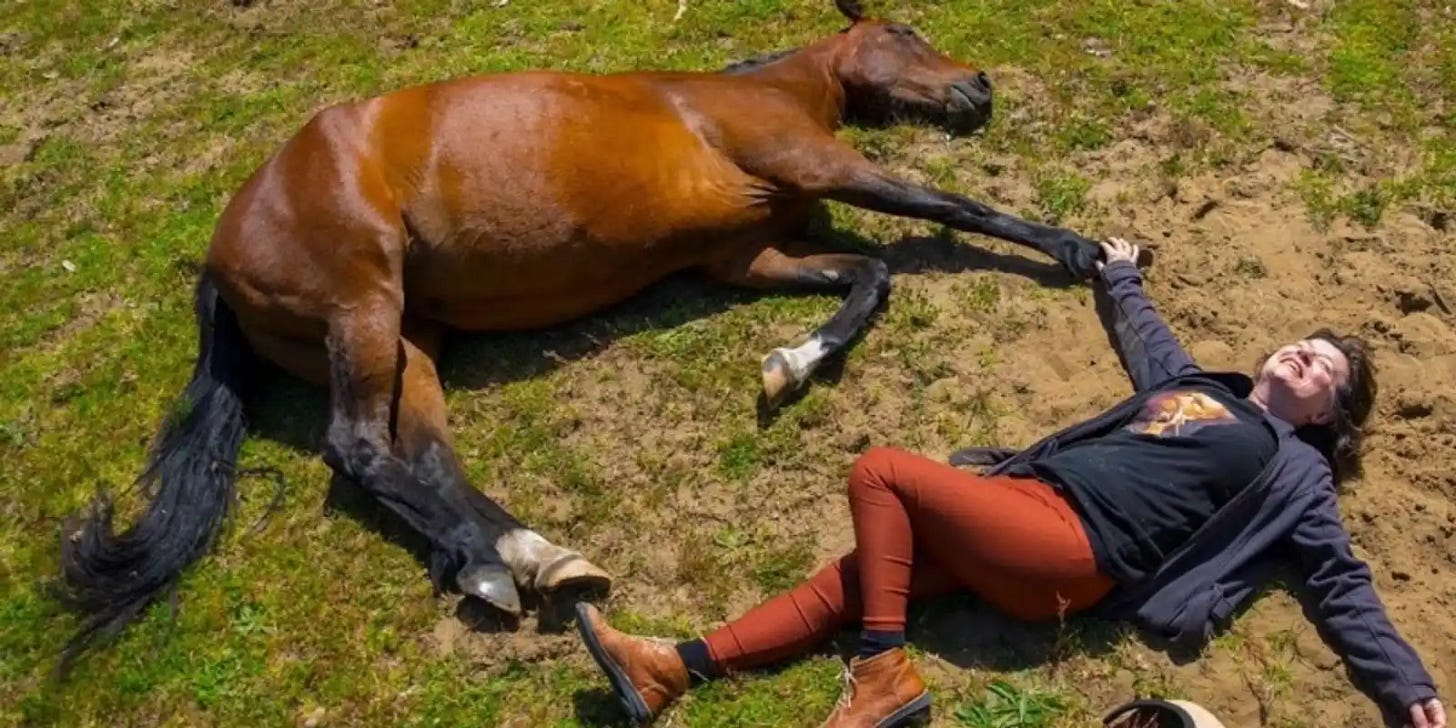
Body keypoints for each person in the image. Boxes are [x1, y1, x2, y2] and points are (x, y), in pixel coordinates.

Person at [572, 238, 1446, 728]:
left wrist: (1407, 686)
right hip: (1025, 507)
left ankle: (884, 675)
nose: (1301, 353)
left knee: (881, 473)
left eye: (1323, 366)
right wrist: (1122, 272)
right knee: (857, 580)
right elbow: (1147, 340)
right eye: (1303, 342)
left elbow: (1339, 579)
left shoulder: (1293, 472)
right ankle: (673, 670)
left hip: (1074, 548)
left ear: (1329, 412)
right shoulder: (1203, 389)